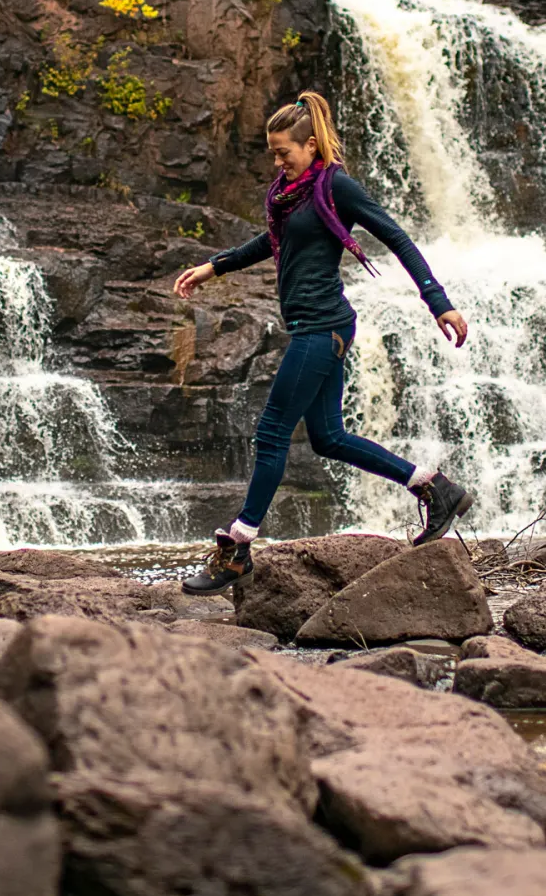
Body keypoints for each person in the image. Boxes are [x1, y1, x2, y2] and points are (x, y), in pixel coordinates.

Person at [170, 90, 472, 595]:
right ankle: (434, 487)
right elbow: (273, 242)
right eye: (271, 151)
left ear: (311, 145)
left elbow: (397, 238)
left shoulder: (337, 187)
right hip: (315, 327)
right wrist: (214, 266)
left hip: (322, 327)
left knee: (271, 434)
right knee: (328, 439)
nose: (277, 159)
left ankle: (239, 546)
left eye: (283, 150)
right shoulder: (288, 194)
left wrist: (438, 300)